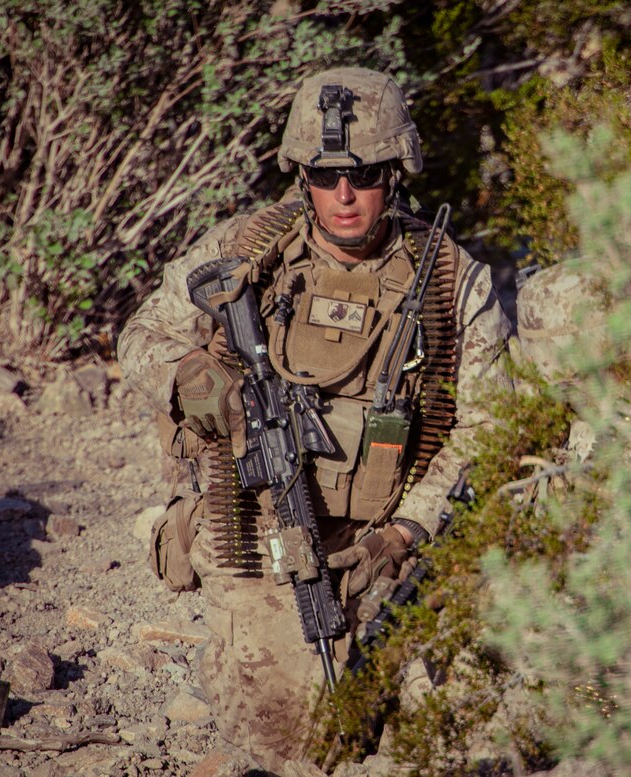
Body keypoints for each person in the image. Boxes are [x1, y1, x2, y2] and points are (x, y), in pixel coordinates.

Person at [117, 67, 511, 776]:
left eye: (364, 173)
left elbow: (491, 426)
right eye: (327, 176)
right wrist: (200, 383)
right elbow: (140, 335)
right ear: (302, 175)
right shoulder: (248, 249)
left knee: (433, 721)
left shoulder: (450, 279)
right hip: (257, 526)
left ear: (397, 171)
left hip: (387, 541)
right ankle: (182, 532)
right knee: (297, 744)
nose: (346, 195)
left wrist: (403, 532)